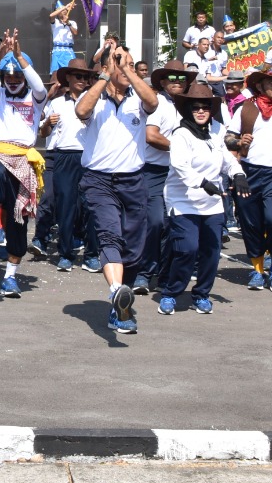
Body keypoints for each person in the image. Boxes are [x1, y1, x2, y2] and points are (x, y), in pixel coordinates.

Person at [75, 44, 161, 333]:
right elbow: (81, 109)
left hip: (134, 181)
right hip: (99, 181)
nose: (125, 66)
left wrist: (125, 69)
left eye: (130, 62)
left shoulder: (138, 99)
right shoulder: (96, 98)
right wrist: (105, 73)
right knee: (110, 236)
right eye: (119, 61)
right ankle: (116, 292)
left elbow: (153, 103)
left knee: (134, 250)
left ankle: (121, 303)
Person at [159, 82, 246, 315]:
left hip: (212, 203)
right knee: (187, 249)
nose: (200, 111)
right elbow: (179, 165)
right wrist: (204, 183)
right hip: (183, 200)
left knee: (211, 252)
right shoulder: (181, 134)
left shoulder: (215, 131)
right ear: (188, 109)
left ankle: (202, 294)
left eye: (205, 107)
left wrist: (238, 174)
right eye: (195, 107)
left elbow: (226, 158)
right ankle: (170, 292)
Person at [0, 33, 48, 299]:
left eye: (18, 77)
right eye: (9, 76)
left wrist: (18, 55)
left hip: (24, 159)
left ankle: (10, 278)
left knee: (19, 221)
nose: (13, 81)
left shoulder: (36, 98)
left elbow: (39, 86)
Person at [227, 67, 272, 294]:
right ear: (260, 85)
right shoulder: (245, 108)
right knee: (250, 223)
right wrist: (239, 143)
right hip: (249, 172)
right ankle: (257, 270)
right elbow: (228, 139)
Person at [139, 64, 196, 289]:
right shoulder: (158, 103)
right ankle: (145, 271)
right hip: (154, 171)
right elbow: (151, 136)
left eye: (181, 78)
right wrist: (179, 148)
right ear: (162, 82)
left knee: (176, 224)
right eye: (171, 77)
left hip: (181, 173)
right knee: (154, 222)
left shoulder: (192, 107)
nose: (177, 80)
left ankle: (166, 275)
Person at [48, 1, 79, 76]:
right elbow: (51, 16)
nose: (64, 11)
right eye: (61, 11)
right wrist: (65, 6)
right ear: (58, 12)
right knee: (55, 73)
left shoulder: (72, 22)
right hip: (57, 50)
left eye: (65, 10)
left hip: (68, 50)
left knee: (71, 71)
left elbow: (75, 33)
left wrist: (68, 23)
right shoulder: (55, 23)